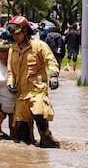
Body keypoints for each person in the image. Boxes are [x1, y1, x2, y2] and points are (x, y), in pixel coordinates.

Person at [6, 15, 60, 148]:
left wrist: (53, 75)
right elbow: (10, 71)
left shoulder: (39, 45)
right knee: (21, 132)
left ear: (25, 31)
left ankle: (47, 137)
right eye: (12, 34)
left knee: (40, 116)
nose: (15, 37)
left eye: (17, 34)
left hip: (37, 90)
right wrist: (10, 83)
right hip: (21, 94)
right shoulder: (12, 49)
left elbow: (51, 61)